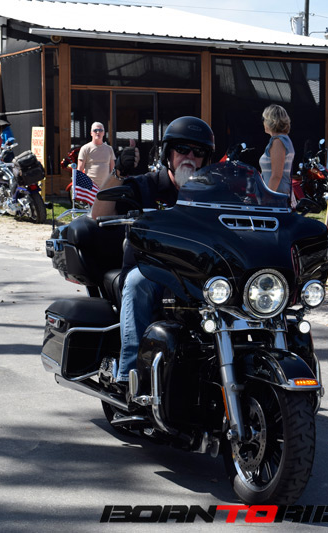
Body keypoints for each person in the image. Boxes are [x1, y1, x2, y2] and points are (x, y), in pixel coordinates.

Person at [91, 116, 215, 396]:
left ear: (206, 159)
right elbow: (98, 214)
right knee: (138, 284)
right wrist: (119, 172)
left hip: (198, 274)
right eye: (182, 149)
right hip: (150, 269)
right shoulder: (146, 185)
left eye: (198, 152)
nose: (190, 157)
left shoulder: (213, 194)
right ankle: (129, 377)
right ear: (168, 153)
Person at [259, 104, 294, 194]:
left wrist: (267, 197)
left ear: (270, 121)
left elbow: (276, 176)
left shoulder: (278, 142)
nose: (263, 122)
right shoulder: (283, 139)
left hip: (276, 195)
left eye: (264, 119)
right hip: (279, 193)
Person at [77, 121, 114, 185]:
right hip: (90, 186)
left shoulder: (109, 149)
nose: (98, 132)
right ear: (91, 133)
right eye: (95, 130)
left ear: (104, 133)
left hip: (105, 186)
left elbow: (112, 170)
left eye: (100, 130)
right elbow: (80, 169)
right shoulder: (85, 148)